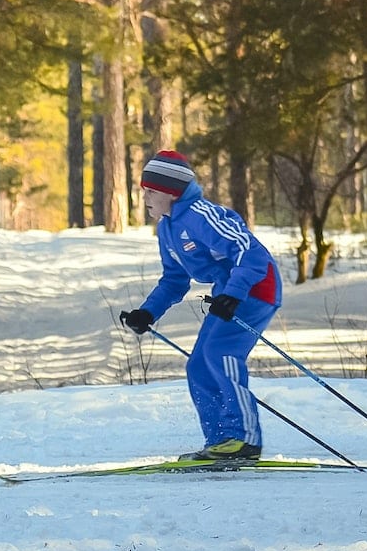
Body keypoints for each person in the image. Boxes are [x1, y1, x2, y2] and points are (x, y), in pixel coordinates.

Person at [118, 151, 281, 461]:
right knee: (198, 364)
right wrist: (147, 312)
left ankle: (244, 440)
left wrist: (233, 293)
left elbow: (251, 252)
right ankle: (220, 442)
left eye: (150, 190)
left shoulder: (200, 216)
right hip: (228, 291)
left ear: (170, 192)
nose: (145, 197)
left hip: (256, 288)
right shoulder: (166, 229)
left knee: (220, 354)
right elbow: (175, 280)